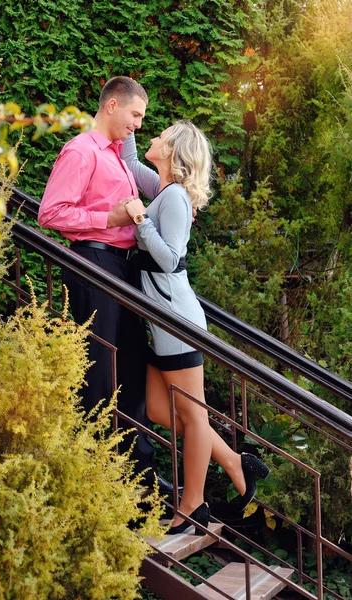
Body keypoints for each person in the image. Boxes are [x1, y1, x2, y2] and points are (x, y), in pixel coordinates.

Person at [121, 120, 270, 533]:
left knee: (194, 415)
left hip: (176, 322)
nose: (152, 134)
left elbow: (170, 258)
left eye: (160, 134)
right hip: (163, 320)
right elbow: (131, 162)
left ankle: (192, 507)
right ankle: (234, 462)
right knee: (157, 408)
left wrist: (138, 219)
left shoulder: (174, 199)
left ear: (172, 151)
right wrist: (126, 116)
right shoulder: (164, 191)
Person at [38, 76, 173, 493]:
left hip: (121, 270)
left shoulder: (117, 157)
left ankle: (139, 483)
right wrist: (108, 219)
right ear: (112, 106)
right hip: (93, 266)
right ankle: (101, 486)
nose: (138, 124)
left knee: (130, 372)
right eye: (135, 115)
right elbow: (51, 214)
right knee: (100, 376)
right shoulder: (81, 151)